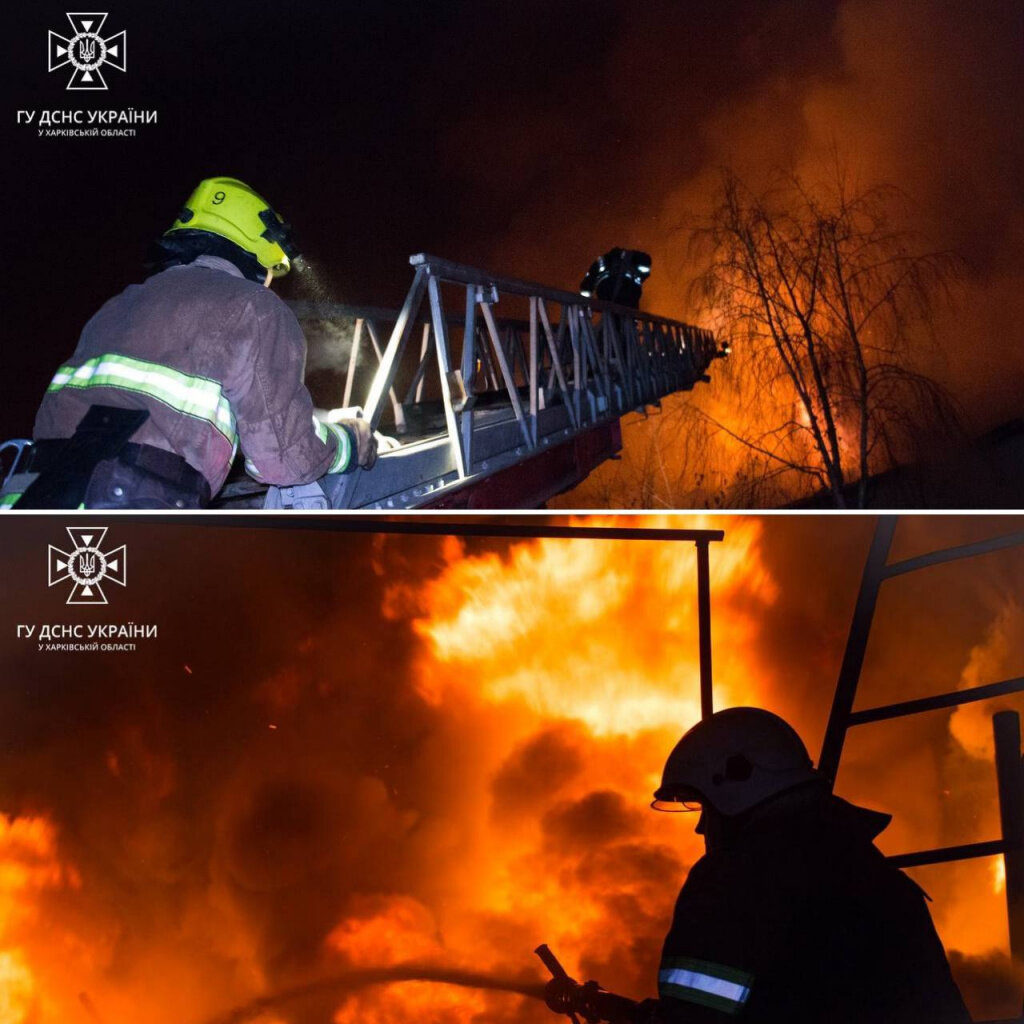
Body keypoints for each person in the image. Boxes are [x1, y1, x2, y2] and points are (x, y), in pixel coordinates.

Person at [3, 176, 376, 510]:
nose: (267, 280)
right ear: (260, 250)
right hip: (131, 516)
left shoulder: (117, 306)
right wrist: (346, 442)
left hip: (27, 501)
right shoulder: (252, 306)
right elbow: (284, 459)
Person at [645, 707, 972, 1023]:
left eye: (705, 807)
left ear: (734, 786)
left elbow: (694, 1016)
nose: (701, 827)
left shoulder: (734, 882)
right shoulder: (879, 878)